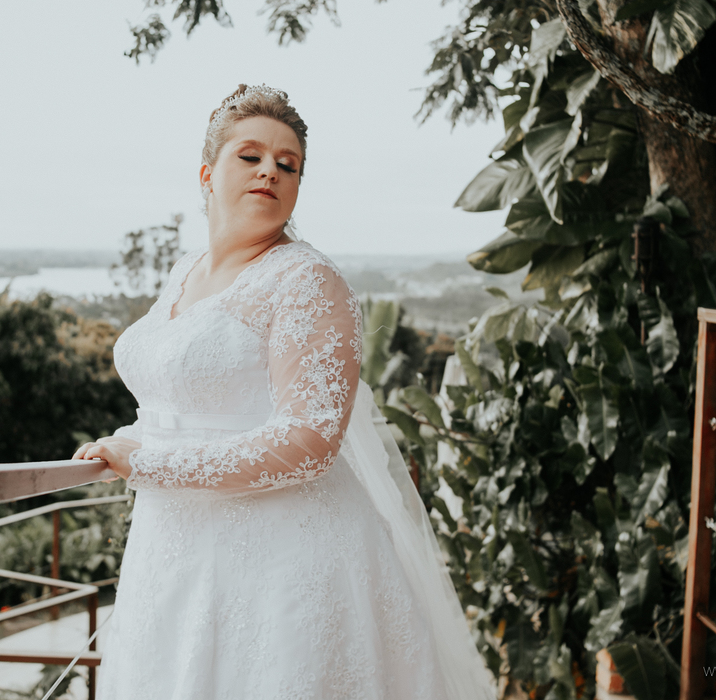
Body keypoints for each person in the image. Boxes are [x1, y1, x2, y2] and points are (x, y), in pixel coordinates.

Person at [73, 84, 495, 700]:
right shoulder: (186, 270)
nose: (270, 170)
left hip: (280, 563)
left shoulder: (307, 279)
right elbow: (185, 402)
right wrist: (126, 441)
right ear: (207, 173)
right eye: (250, 156)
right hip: (172, 550)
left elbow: (309, 442)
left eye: (287, 164)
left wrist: (147, 463)